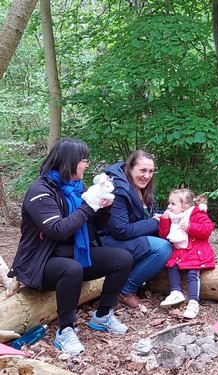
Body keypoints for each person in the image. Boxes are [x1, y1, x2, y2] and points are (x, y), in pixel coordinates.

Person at [7, 138, 134, 356]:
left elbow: (94, 227)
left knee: (122, 258)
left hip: (73, 253)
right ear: (69, 162)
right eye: (83, 160)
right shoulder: (40, 191)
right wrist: (88, 206)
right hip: (40, 261)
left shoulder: (77, 188)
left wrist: (103, 207)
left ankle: (103, 315)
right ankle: (65, 330)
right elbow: (58, 230)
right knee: (71, 269)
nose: (86, 164)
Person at [100, 150, 173, 308]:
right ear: (130, 168)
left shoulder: (142, 187)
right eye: (142, 170)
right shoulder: (117, 190)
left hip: (128, 239)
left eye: (151, 171)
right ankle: (126, 290)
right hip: (107, 242)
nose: (147, 175)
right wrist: (156, 223)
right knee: (163, 248)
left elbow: (148, 215)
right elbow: (120, 230)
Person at [158, 189, 215, 319]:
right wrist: (164, 221)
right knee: (171, 266)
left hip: (195, 251)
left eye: (173, 204)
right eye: (169, 203)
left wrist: (190, 227)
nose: (169, 206)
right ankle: (176, 291)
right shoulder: (173, 217)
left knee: (192, 273)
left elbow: (207, 230)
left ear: (185, 206)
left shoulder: (197, 213)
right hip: (179, 252)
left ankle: (194, 301)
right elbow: (165, 235)